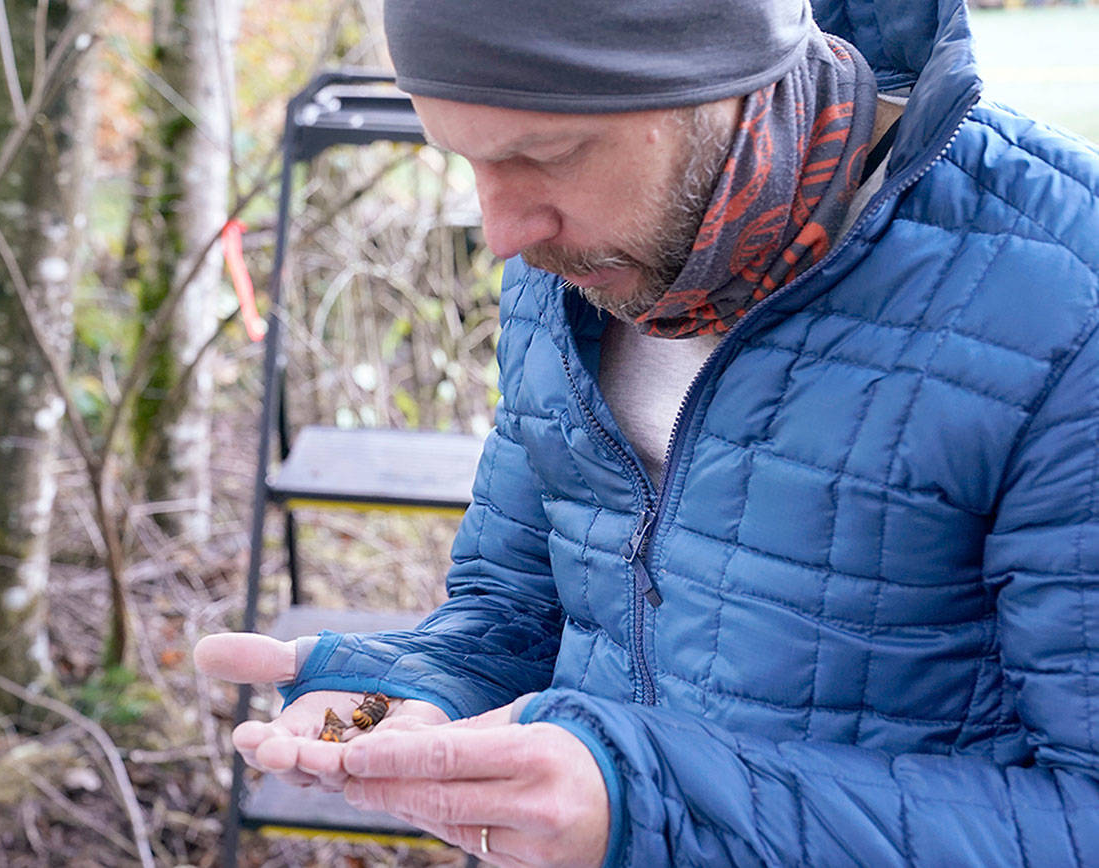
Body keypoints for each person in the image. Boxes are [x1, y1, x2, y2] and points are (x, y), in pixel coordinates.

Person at [195, 0, 1099, 864]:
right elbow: (520, 604)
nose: (503, 232)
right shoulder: (572, 265)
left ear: (724, 78)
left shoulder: (1066, 298)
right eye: (463, 160)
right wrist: (432, 682)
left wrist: (645, 800)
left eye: (546, 152)